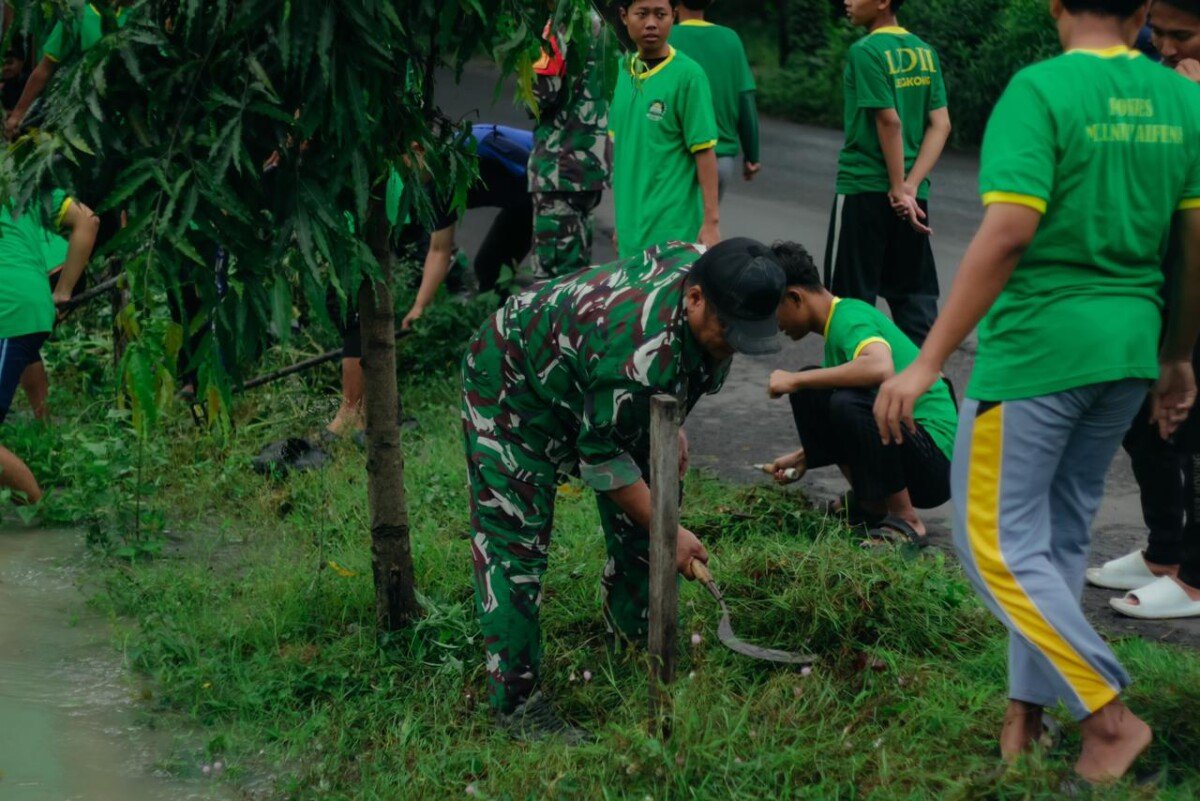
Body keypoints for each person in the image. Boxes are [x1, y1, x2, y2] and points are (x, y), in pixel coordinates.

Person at [874, 0, 1200, 784]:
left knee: (990, 542)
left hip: (1038, 354)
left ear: (1056, 5)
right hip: (1128, 349)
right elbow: (1193, 244)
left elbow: (1009, 231)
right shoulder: (1182, 97)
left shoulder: (1040, 90)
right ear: (1143, 11)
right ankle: (1027, 715)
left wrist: (925, 360)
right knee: (1051, 541)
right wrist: (1177, 356)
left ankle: (1108, 719)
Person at [462, 237, 785, 741]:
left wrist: (671, 418)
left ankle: (633, 647)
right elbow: (602, 458)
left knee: (646, 522)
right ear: (695, 298)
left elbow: (665, 370)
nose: (736, 345)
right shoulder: (636, 357)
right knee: (515, 546)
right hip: (511, 383)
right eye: (730, 332)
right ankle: (516, 704)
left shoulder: (709, 266)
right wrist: (671, 532)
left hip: (596, 371)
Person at [1087, 0, 1200, 619]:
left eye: (1183, 36)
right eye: (1162, 34)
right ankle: (1166, 553)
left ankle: (1195, 578)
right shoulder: (1167, 78)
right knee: (1144, 417)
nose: (1167, 48)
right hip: (1164, 279)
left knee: (1192, 427)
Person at [765, 241, 956, 546]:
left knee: (840, 398)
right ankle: (872, 505)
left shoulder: (848, 317)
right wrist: (803, 457)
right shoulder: (837, 327)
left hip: (935, 461)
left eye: (773, 309)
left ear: (795, 297)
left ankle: (906, 520)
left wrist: (794, 380)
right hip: (912, 449)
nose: (775, 324)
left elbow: (880, 368)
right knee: (815, 391)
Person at [825, 0, 952, 346]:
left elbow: (889, 120)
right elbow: (941, 124)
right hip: (913, 199)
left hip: (864, 188)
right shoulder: (924, 52)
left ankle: (854, 378)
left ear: (882, 2)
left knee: (848, 303)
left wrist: (896, 186)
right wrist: (910, 186)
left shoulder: (866, 51)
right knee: (914, 298)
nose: (848, 1)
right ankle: (927, 377)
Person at [0, 190, 99, 502]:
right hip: (25, 304)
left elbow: (87, 221)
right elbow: (88, 220)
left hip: (10, 311)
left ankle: (38, 514)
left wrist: (64, 289)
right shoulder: (20, 181)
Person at [609, 0, 720, 258]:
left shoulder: (689, 76)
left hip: (674, 232)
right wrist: (620, 222)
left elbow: (704, 151)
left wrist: (711, 222)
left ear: (674, 16)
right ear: (624, 16)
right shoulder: (620, 72)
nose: (651, 23)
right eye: (642, 14)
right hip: (630, 230)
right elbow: (623, 151)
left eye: (660, 14)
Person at [400, 123, 534, 330]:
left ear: (418, 150)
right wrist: (419, 307)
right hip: (525, 204)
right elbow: (439, 250)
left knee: (553, 270)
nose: (403, 177)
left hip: (558, 187)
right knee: (490, 268)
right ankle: (506, 334)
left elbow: (542, 166)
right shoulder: (435, 190)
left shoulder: (476, 145)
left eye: (404, 168)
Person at [527, 3, 616, 279]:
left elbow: (540, 96)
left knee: (554, 280)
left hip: (559, 167)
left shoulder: (561, 26)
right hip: (588, 165)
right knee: (576, 272)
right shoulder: (600, 26)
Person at [669, 0, 761, 199]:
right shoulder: (730, 40)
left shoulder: (665, 37)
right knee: (708, 218)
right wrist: (752, 156)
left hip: (675, 159)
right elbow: (745, 100)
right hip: (720, 159)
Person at [4, 0, 131, 138]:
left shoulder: (137, 18)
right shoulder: (78, 16)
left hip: (126, 119)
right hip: (80, 116)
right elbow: (45, 69)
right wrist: (18, 114)